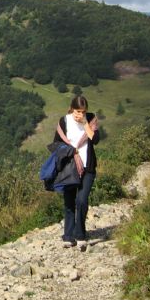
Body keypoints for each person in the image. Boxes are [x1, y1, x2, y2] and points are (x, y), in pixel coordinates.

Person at [52, 95, 100, 248]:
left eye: (83, 111)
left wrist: (85, 123)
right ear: (72, 109)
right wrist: (71, 151)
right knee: (69, 201)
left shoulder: (91, 119)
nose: (80, 114)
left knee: (82, 200)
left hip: (88, 167)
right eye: (78, 111)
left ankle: (80, 235)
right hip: (70, 167)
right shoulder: (64, 121)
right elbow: (56, 145)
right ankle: (68, 236)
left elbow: (95, 140)